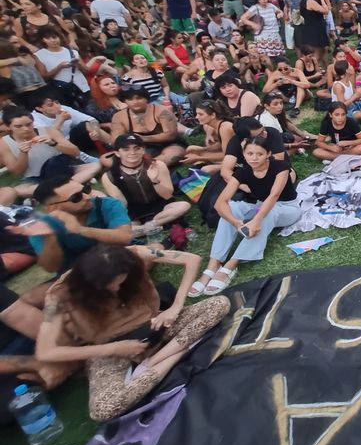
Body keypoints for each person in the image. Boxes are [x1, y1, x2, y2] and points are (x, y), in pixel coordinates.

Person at [34, 244, 229, 422]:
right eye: (109, 286)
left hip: (154, 326)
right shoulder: (60, 295)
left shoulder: (134, 255)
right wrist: (112, 348)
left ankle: (153, 362)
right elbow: (46, 352)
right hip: (110, 350)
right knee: (103, 409)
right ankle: (177, 353)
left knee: (220, 304)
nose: (116, 289)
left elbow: (191, 259)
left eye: (120, 282)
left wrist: (176, 306)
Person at [192, 136, 300, 295]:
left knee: (267, 212)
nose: (254, 158)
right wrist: (236, 223)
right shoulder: (242, 173)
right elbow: (220, 203)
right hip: (259, 206)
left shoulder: (281, 167)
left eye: (259, 154)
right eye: (250, 154)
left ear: (268, 154)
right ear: (244, 154)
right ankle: (213, 264)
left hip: (287, 208)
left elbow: (274, 196)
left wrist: (256, 221)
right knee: (233, 207)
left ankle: (231, 264)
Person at [16, 175, 132, 276]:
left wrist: (80, 230)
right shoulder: (43, 226)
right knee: (32, 298)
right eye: (76, 197)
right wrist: (50, 239)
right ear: (53, 208)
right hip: (77, 273)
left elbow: (124, 237)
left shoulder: (106, 204)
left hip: (118, 258)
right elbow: (52, 267)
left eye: (85, 190)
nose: (87, 197)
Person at [0, 106, 101, 198]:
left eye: (29, 124)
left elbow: (75, 151)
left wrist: (54, 143)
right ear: (8, 127)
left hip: (61, 171)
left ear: (33, 121)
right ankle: (69, 186)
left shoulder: (48, 130)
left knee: (95, 166)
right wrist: (23, 153)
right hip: (35, 178)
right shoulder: (4, 143)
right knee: (18, 190)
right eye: (18, 126)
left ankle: (52, 190)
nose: (26, 129)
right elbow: (17, 172)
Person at [101, 134, 191, 231]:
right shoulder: (110, 176)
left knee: (184, 206)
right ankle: (149, 227)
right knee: (120, 226)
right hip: (134, 213)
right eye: (126, 149)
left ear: (143, 150)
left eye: (137, 148)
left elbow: (167, 195)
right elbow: (122, 207)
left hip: (161, 207)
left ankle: (148, 227)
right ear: (117, 153)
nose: (132, 152)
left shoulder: (157, 165)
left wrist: (155, 180)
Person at [110, 86, 186, 167]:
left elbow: (171, 135)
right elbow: (117, 140)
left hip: (169, 144)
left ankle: (145, 166)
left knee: (172, 155)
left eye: (139, 98)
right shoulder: (119, 117)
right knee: (107, 160)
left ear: (146, 99)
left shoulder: (162, 111)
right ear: (125, 101)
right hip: (139, 146)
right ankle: (141, 165)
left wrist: (142, 138)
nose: (135, 102)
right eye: (130, 99)